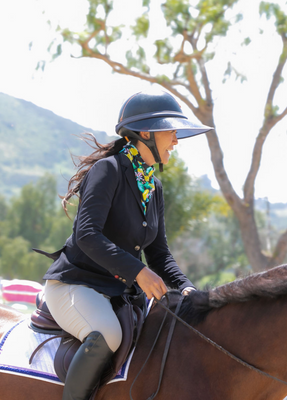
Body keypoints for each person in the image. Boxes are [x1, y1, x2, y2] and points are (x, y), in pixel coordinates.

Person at [38, 89, 212, 400]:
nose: (176, 141)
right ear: (146, 132)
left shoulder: (152, 186)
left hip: (118, 292)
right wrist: (139, 273)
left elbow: (158, 254)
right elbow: (87, 235)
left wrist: (187, 290)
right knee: (108, 334)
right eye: (171, 132)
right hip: (75, 286)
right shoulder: (109, 170)